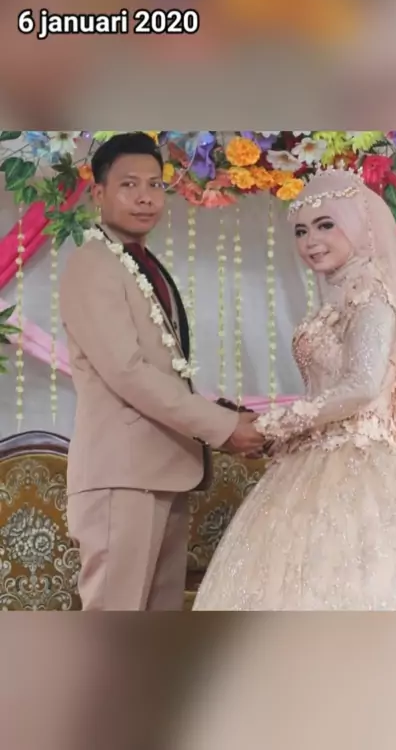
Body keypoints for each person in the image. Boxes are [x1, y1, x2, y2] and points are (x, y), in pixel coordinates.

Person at [193, 166, 396, 610]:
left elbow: (361, 387)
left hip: (358, 463)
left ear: (359, 226)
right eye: (302, 230)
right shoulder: (338, 299)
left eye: (326, 225)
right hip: (311, 459)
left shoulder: (372, 297)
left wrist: (274, 425)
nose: (311, 241)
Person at [59, 132, 264, 611]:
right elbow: (128, 372)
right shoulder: (93, 264)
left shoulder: (141, 263)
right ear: (98, 193)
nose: (146, 196)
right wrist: (221, 426)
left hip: (165, 470)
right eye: (129, 184)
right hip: (123, 477)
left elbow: (162, 371)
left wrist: (221, 415)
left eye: (155, 184)